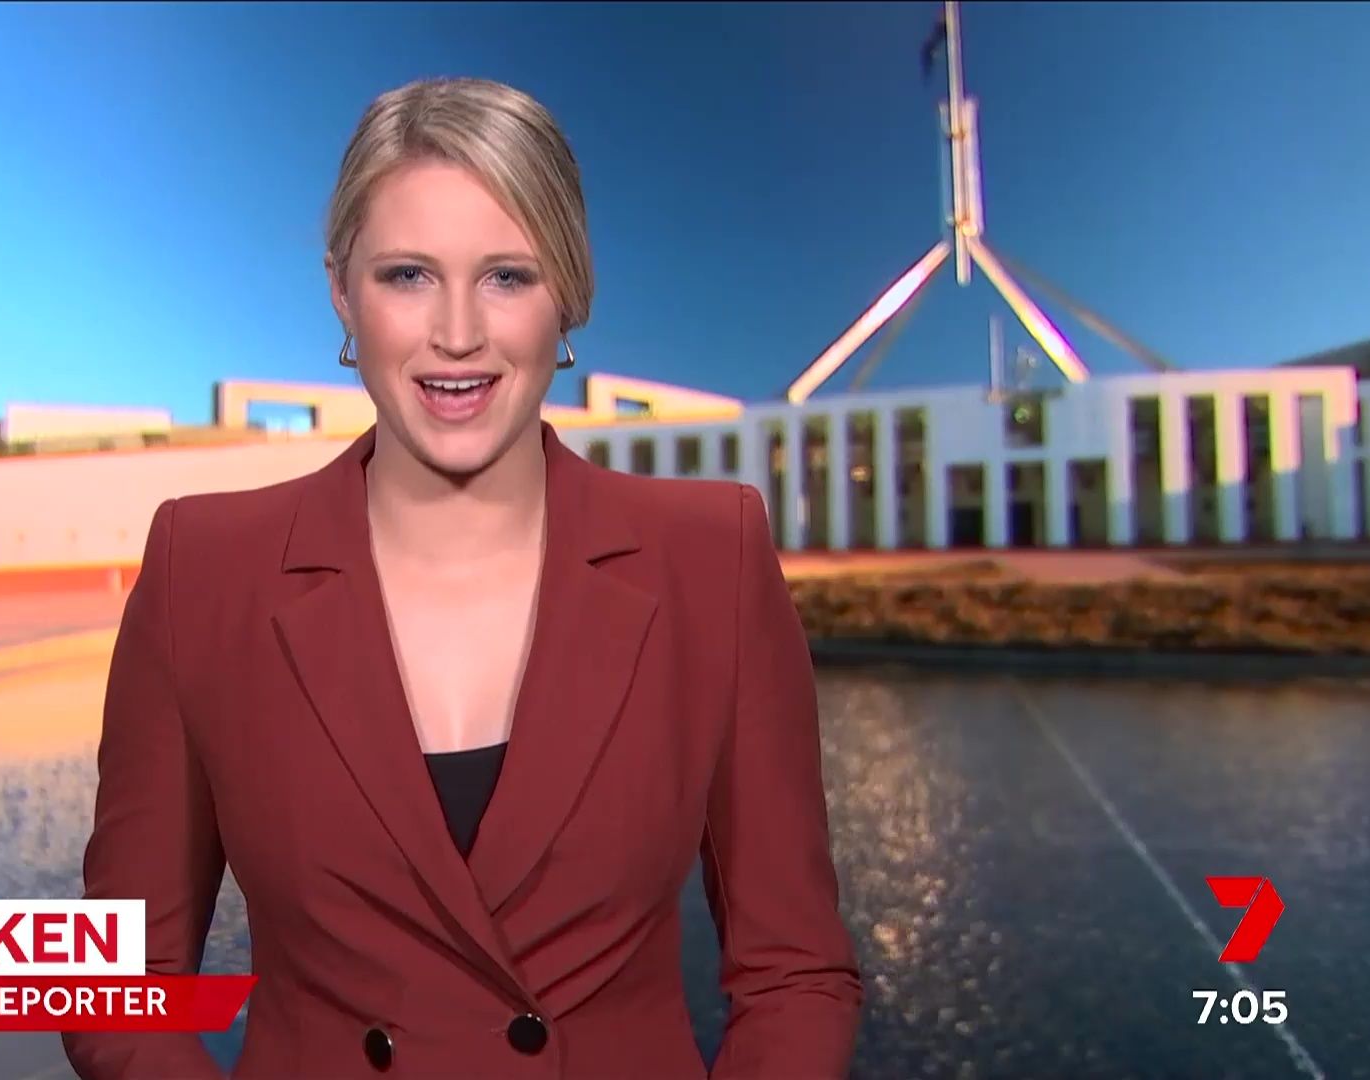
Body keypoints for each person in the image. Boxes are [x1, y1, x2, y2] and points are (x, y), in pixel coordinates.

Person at [64, 76, 860, 1079]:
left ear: (568, 295)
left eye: (507, 277)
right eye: (407, 275)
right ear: (341, 291)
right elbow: (122, 992)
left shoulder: (713, 559)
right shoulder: (204, 571)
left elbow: (795, 974)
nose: (456, 333)